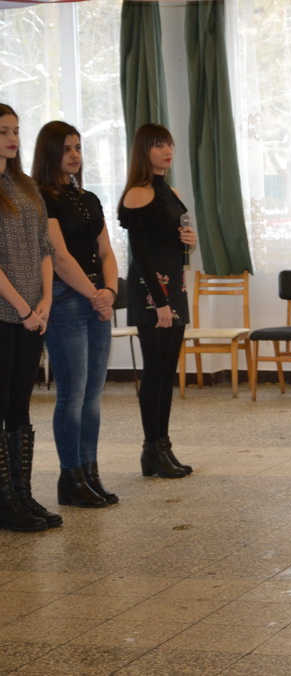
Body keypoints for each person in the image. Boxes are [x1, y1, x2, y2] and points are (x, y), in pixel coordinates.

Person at [32, 121, 119, 508]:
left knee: (93, 398)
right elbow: (59, 257)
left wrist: (109, 291)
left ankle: (90, 472)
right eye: (66, 148)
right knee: (73, 394)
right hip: (67, 299)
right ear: (50, 152)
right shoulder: (41, 197)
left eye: (78, 148)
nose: (74, 155)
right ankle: (70, 478)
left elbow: (107, 252)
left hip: (97, 299)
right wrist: (94, 294)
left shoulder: (90, 198)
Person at [118, 124, 196, 479]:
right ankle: (151, 448)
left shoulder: (171, 191)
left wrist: (189, 241)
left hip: (174, 286)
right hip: (152, 290)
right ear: (144, 151)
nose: (167, 150)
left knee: (167, 371)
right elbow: (141, 253)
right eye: (159, 145)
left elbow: (170, 241)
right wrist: (160, 300)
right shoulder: (138, 193)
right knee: (154, 370)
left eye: (169, 144)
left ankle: (162, 446)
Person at [0, 103, 60, 532]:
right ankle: (5, 502)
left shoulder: (26, 186)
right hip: (6, 313)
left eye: (16, 131)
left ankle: (22, 495)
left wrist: (45, 302)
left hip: (33, 314)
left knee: (20, 404)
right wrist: (22, 308)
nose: (12, 139)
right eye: (3, 131)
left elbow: (44, 248)